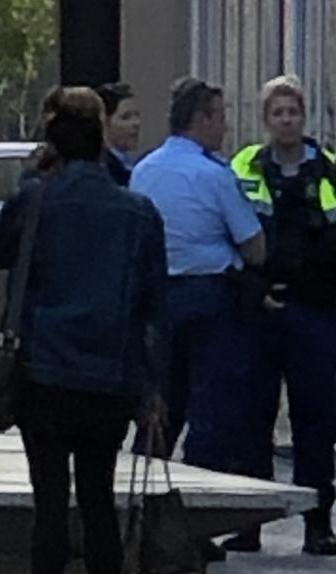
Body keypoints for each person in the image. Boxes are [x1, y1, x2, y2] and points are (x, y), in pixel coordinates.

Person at [0, 87, 168, 574]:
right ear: (100, 142)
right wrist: (153, 386)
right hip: (110, 378)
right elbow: (155, 307)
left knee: (49, 502)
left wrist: (34, 175)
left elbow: (2, 251)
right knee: (98, 498)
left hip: (44, 373)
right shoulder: (139, 212)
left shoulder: (35, 200)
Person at [228, 74, 336, 555]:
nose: (287, 120)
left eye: (293, 112)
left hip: (313, 311)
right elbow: (226, 233)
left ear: (304, 118)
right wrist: (253, 289)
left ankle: (318, 522)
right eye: (278, 113)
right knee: (252, 420)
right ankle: (249, 521)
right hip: (259, 311)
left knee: (316, 421)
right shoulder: (242, 167)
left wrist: (333, 294)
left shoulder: (331, 173)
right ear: (266, 120)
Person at [130, 76, 265, 472]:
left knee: (158, 407)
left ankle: (140, 504)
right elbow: (255, 248)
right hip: (210, 299)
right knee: (211, 410)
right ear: (201, 119)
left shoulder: (144, 171)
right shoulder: (215, 175)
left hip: (157, 300)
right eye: (220, 117)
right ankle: (195, 504)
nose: (224, 127)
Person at [96, 82, 141, 185]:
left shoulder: (134, 164)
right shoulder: (103, 170)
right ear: (104, 122)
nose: (136, 123)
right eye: (126, 117)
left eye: (137, 115)